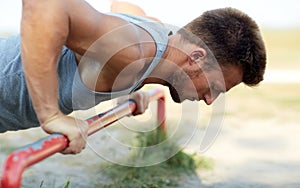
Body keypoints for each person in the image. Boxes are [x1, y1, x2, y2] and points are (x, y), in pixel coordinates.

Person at [0, 0, 266, 155]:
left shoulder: (156, 42)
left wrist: (130, 84)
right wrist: (51, 115)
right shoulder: (134, 51)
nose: (209, 100)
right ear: (196, 57)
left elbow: (123, 5)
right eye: (215, 87)